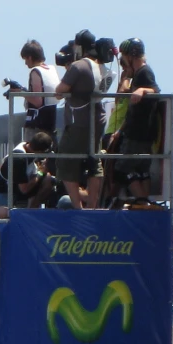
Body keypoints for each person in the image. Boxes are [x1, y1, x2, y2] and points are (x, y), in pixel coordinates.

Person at [55, 29, 106, 209]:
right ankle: (93, 205)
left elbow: (59, 90)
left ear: (80, 46)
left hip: (79, 122)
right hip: (98, 121)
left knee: (65, 161)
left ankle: (79, 207)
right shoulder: (101, 66)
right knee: (94, 161)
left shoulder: (78, 66)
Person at [113, 38, 161, 201]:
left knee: (122, 170)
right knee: (141, 170)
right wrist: (121, 130)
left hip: (139, 132)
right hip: (135, 129)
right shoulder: (137, 74)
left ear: (130, 56)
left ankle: (143, 202)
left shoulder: (144, 72)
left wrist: (142, 90)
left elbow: (155, 90)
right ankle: (144, 203)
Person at [20, 40, 61, 141]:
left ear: (29, 57)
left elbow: (38, 101)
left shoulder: (35, 71)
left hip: (36, 124)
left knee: (32, 154)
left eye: (25, 59)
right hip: (51, 120)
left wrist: (21, 92)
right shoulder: (51, 69)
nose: (25, 63)